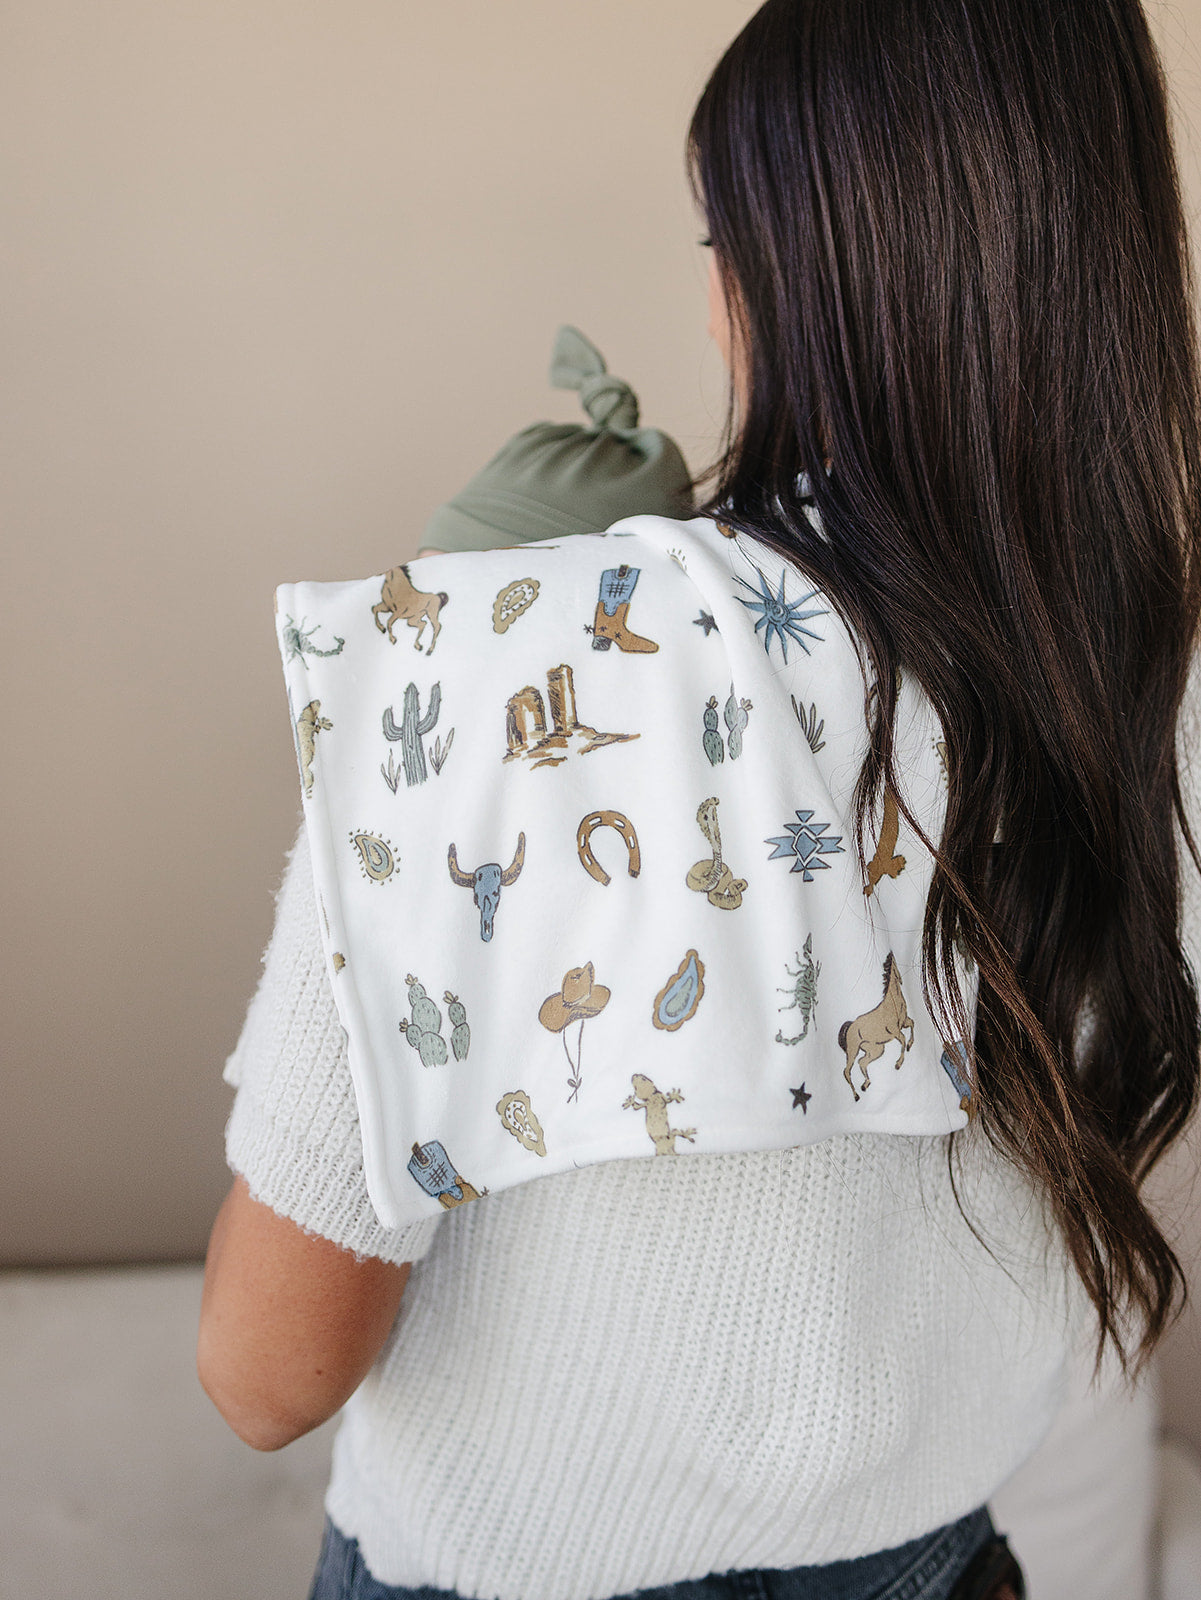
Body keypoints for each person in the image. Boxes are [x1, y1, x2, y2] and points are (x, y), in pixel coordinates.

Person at [197, 3, 1201, 1599]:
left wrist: (456, 679)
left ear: (793, 277)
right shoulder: (1151, 693)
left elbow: (265, 1373)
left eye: (718, 241)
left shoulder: (514, 670)